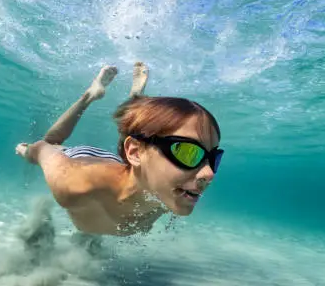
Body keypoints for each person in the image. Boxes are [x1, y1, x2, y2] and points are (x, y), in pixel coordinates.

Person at [16, 62, 223, 236]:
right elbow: (44, 148)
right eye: (188, 152)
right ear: (134, 153)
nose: (210, 173)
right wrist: (28, 152)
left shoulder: (169, 194)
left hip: (125, 165)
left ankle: (136, 100)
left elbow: (144, 157)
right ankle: (89, 95)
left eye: (214, 158)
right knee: (52, 141)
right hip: (84, 159)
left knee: (139, 151)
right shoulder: (73, 184)